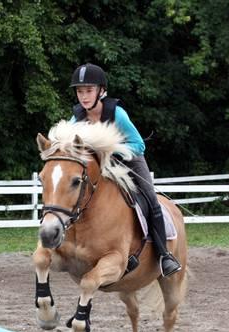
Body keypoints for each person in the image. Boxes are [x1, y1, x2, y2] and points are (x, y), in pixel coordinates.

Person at [69, 63, 182, 277]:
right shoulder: (76, 118)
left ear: (101, 91)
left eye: (89, 90)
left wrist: (111, 149)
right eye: (80, 91)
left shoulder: (116, 113)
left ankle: (163, 254)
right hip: (98, 168)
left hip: (129, 160)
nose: (83, 96)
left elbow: (139, 144)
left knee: (150, 198)